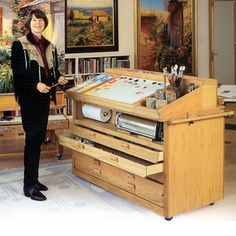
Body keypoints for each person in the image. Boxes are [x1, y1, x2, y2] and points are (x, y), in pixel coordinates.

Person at [11, 8, 68, 201]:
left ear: (45, 23)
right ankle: (29, 186)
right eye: (34, 20)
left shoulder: (49, 45)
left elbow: (52, 72)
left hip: (44, 97)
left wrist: (59, 78)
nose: (38, 23)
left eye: (41, 20)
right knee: (32, 140)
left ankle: (34, 180)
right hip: (29, 98)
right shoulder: (19, 45)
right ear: (29, 23)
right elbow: (18, 75)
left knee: (38, 140)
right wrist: (36, 84)